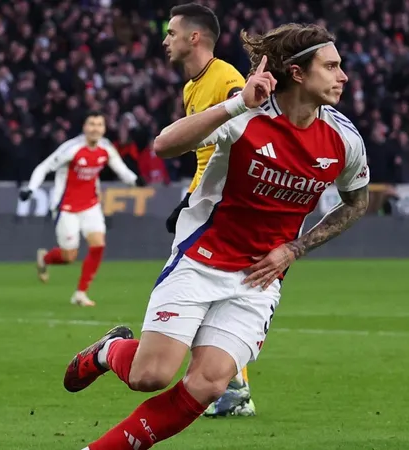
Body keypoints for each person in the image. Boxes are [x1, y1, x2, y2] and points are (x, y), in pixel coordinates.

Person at [62, 23, 370, 450]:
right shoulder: (246, 115)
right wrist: (237, 104)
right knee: (149, 376)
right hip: (200, 260)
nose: (343, 77)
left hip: (259, 279)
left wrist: (294, 249)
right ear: (298, 73)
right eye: (331, 66)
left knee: (208, 384)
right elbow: (164, 145)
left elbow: (356, 203)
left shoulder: (344, 139)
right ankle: (109, 350)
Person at [161, 2, 254, 418]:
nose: (166, 40)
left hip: (224, 207)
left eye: (171, 32)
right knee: (206, 296)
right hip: (202, 201)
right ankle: (232, 390)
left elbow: (247, 131)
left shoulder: (227, 79)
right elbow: (206, 156)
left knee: (194, 293)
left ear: (193, 37)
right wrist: (189, 198)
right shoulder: (191, 88)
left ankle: (230, 389)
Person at [19, 112, 145, 307]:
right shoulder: (71, 148)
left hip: (91, 205)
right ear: (84, 127)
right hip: (66, 207)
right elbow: (44, 167)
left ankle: (80, 293)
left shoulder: (105, 148)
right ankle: (45, 258)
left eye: (99, 124)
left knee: (98, 245)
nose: (95, 128)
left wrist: (134, 180)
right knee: (69, 256)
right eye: (91, 124)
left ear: (104, 128)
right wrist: (31, 188)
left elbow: (119, 168)